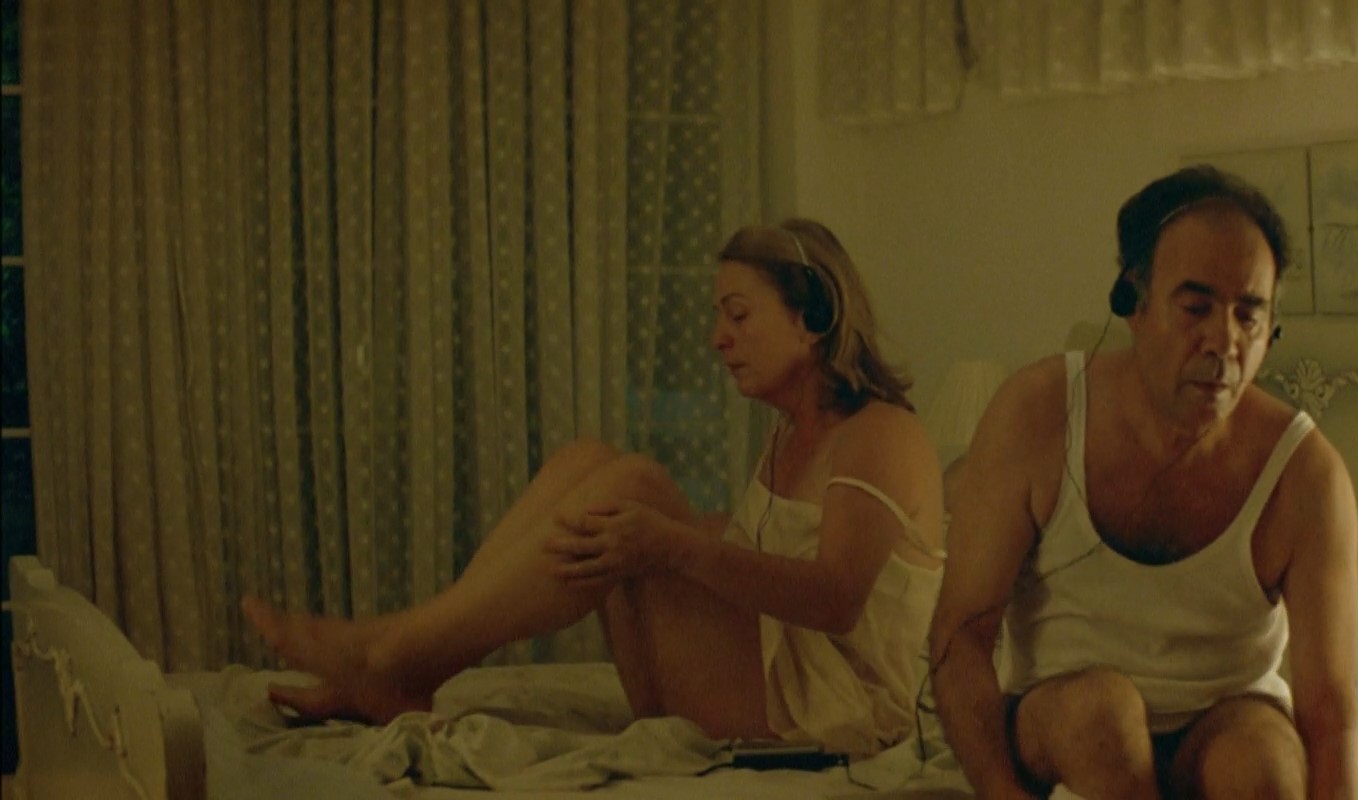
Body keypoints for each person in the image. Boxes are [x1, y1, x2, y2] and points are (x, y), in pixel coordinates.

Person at [244, 219, 946, 759]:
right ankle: (401, 655)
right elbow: (759, 565)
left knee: (636, 487)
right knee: (593, 462)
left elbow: (835, 600)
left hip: (833, 715)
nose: (717, 338)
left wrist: (674, 546)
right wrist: (680, 538)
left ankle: (390, 655)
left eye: (737, 315)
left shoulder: (879, 433)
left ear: (812, 318)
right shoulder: (789, 433)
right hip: (761, 688)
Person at [928, 166, 1358, 799]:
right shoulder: (1037, 414)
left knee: (1262, 763)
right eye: (1196, 308)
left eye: (1249, 315)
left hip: (1224, 721)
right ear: (1132, 301)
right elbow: (960, 636)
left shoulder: (1304, 475)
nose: (1224, 342)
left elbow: (1331, 713)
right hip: (1064, 722)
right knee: (1103, 717)